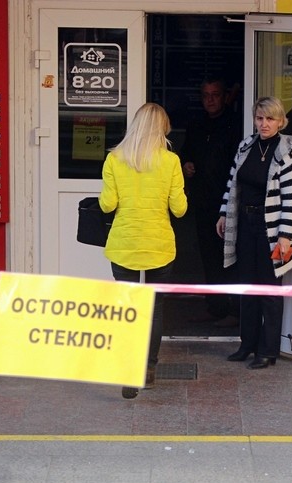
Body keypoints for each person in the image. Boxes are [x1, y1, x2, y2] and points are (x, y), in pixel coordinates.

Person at [99, 103, 188, 398]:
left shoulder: (114, 159)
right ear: (162, 129)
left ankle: (128, 367)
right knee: (154, 309)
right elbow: (179, 209)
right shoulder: (171, 161)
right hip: (158, 245)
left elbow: (107, 205)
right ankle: (148, 369)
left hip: (124, 244)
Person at [215, 96, 292, 370]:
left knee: (270, 290)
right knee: (247, 287)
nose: (264, 124)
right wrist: (224, 214)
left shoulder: (285, 152)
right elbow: (232, 184)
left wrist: (285, 236)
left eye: (270, 119)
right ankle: (247, 345)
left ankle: (268, 350)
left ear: (281, 122)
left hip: (270, 229)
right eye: (260, 118)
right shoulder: (246, 146)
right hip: (245, 224)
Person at [180, 77, 243, 328]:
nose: (210, 100)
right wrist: (186, 165)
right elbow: (185, 153)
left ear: (225, 96)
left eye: (215, 94)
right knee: (209, 256)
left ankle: (235, 311)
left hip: (229, 203)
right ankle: (215, 307)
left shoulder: (235, 125)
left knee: (230, 257)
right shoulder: (196, 124)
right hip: (203, 202)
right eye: (206, 95)